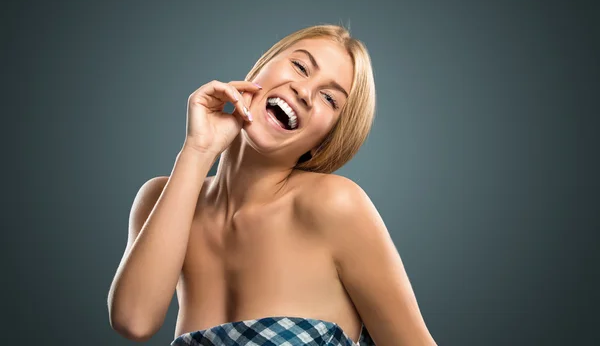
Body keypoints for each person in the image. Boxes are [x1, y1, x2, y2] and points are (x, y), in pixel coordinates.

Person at [107, 24, 437, 345]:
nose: (305, 93)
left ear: (326, 138)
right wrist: (197, 151)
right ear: (261, 67)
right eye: (300, 66)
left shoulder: (334, 204)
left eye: (329, 99)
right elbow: (134, 321)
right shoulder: (161, 199)